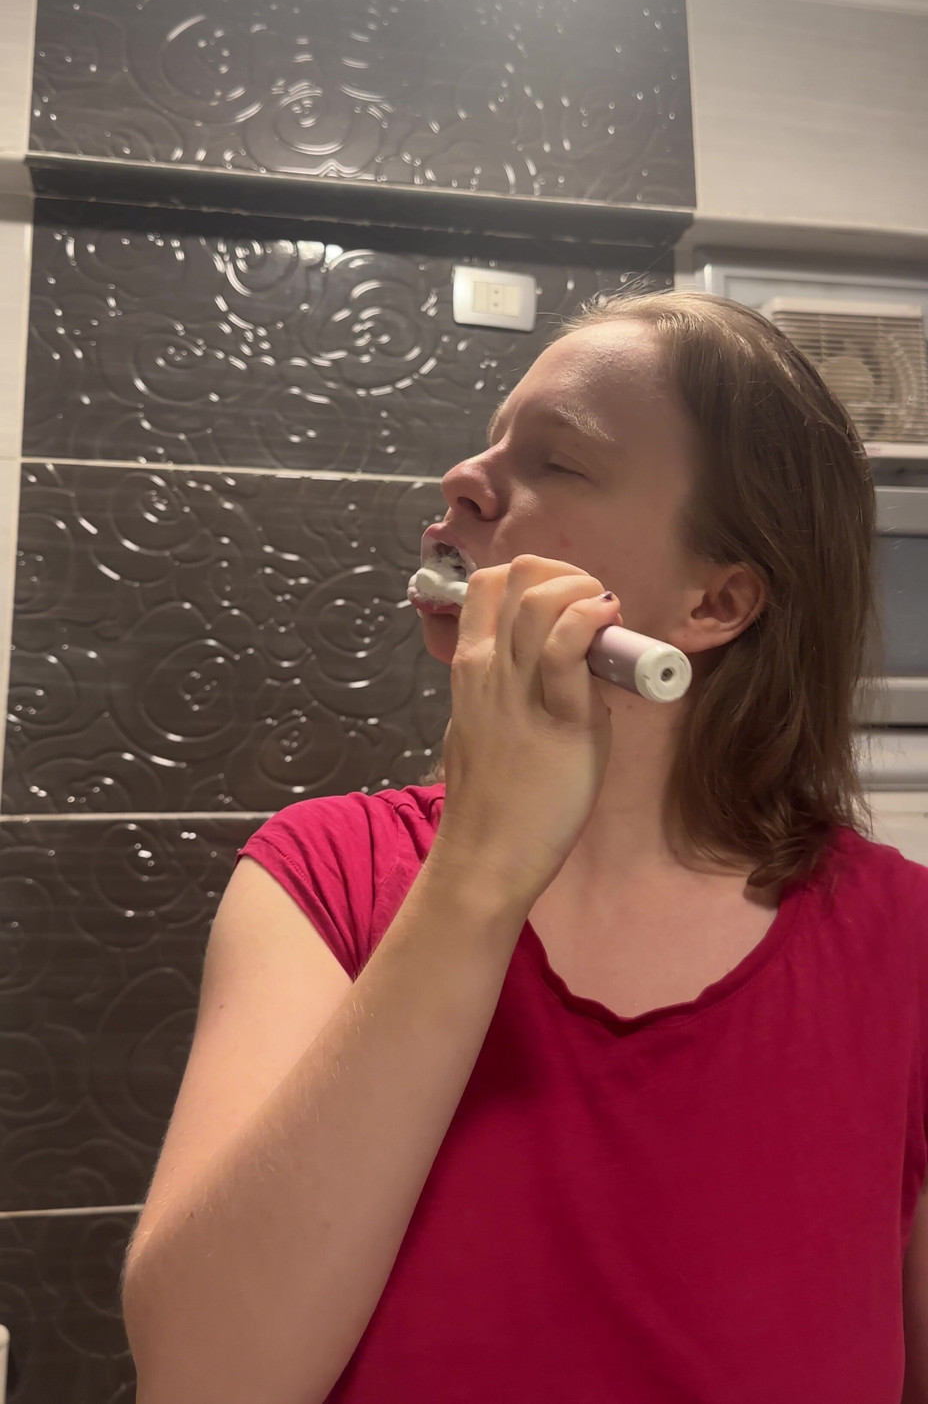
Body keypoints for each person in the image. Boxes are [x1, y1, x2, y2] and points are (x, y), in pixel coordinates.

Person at [122, 290, 928, 1404]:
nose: (463, 478)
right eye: (492, 440)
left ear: (716, 601)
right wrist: (480, 867)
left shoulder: (902, 940)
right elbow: (205, 1379)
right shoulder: (321, 879)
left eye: (558, 461)